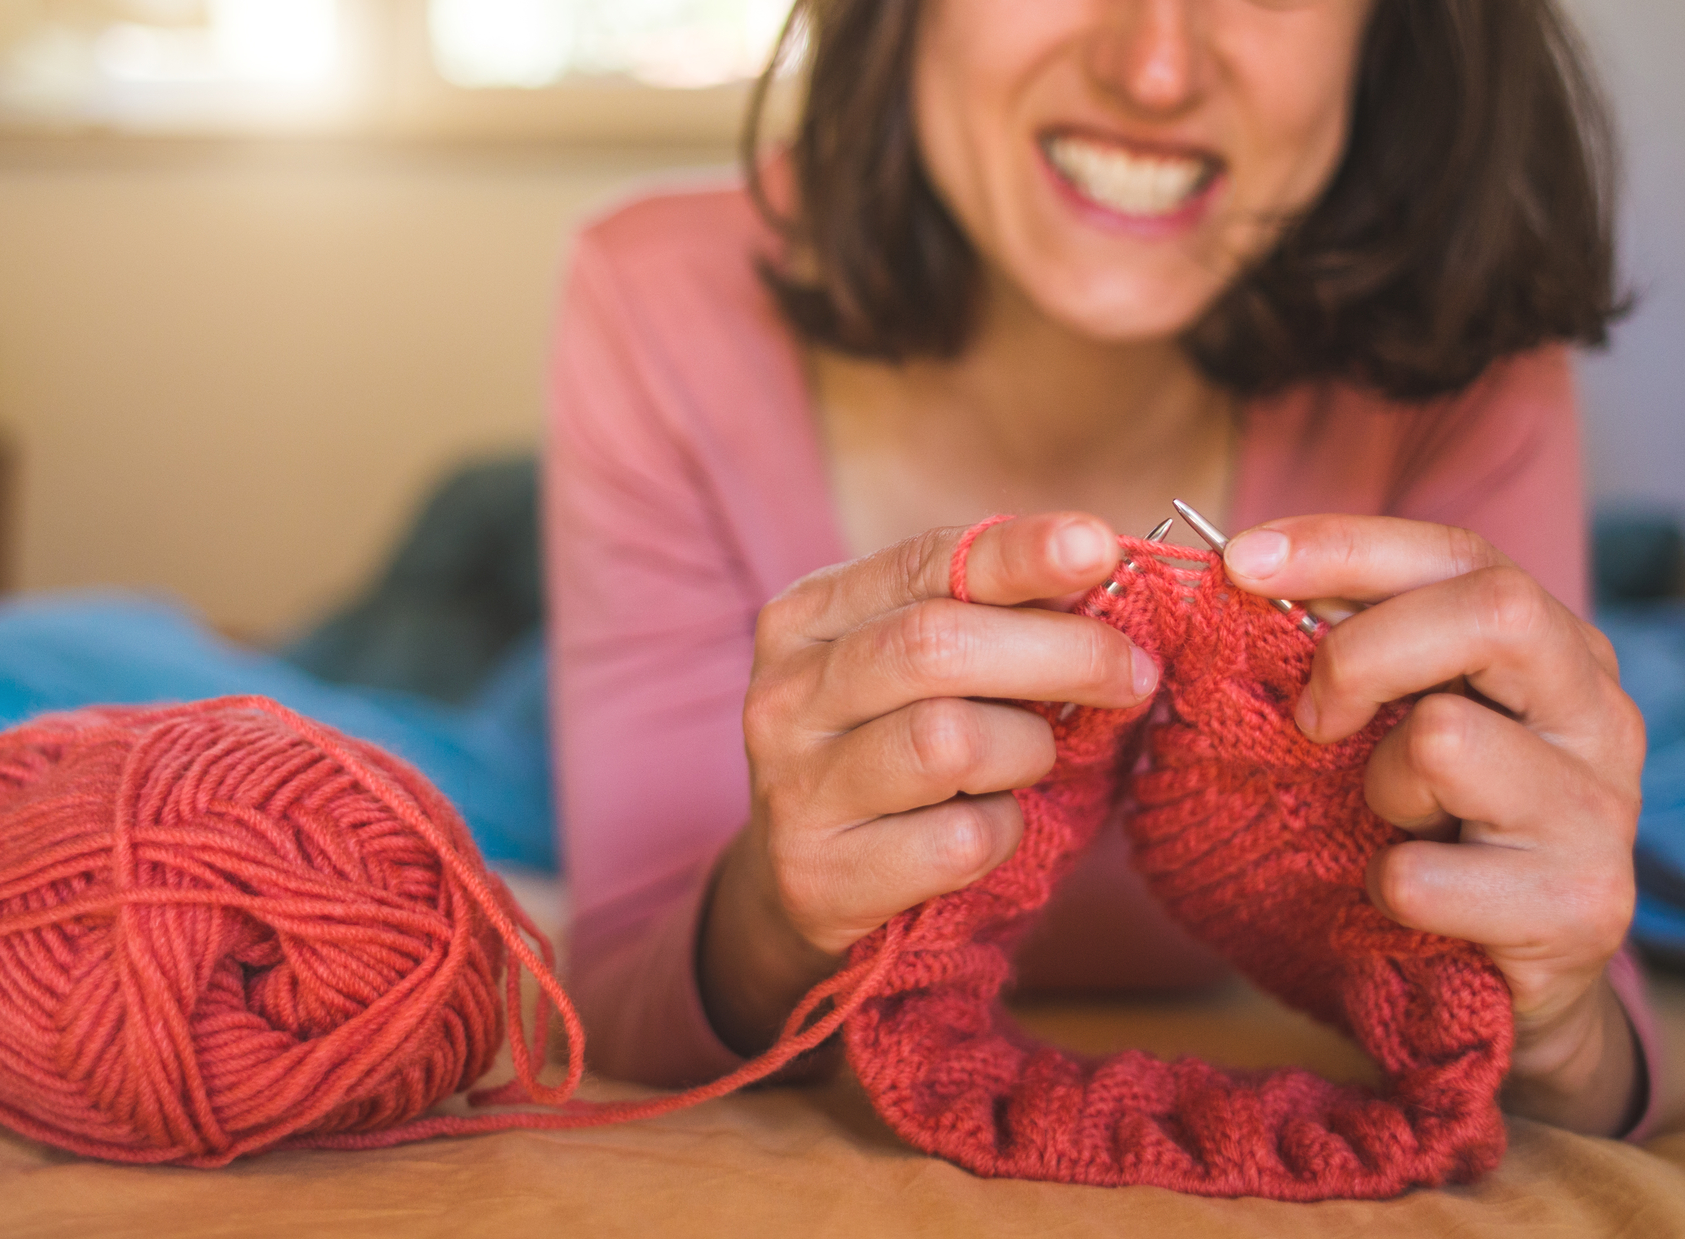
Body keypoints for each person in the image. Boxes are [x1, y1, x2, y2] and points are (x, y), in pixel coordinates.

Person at [546, 0, 1661, 1140]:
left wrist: (1564, 1013)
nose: (1155, 68)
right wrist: (770, 912)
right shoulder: (658, 297)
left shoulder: (1461, 348)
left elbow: (1589, 1021)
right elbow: (618, 986)